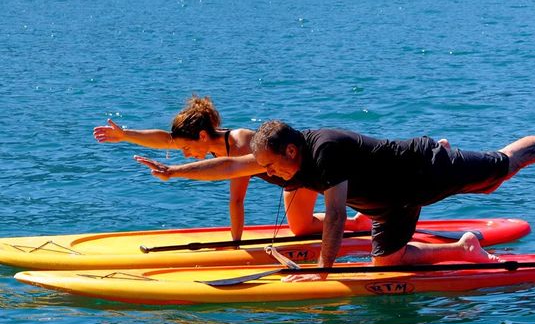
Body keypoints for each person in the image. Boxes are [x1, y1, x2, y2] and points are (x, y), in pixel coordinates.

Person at [137, 119, 535, 281]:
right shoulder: (278, 156)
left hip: (421, 170)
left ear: (293, 152)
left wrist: (322, 272)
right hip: (388, 204)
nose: (270, 175)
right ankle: (463, 249)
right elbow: (232, 166)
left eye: (274, 167)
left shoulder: (327, 151)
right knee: (389, 265)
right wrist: (176, 170)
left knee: (501, 169)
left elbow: (336, 217)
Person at [93, 95, 371, 241]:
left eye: (187, 148)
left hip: (303, 174)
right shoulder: (206, 140)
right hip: (289, 183)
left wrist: (236, 244)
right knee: (300, 229)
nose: (185, 153)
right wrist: (125, 135)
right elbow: (165, 138)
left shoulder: (238, 145)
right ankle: (359, 221)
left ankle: (368, 215)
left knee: (321, 214)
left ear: (202, 136)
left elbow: (237, 200)